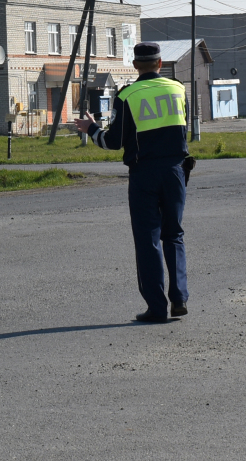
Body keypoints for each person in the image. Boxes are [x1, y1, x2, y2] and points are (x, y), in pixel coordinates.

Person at [74, 41, 192, 323]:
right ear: (161, 64)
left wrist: (91, 129)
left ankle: (156, 307)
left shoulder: (127, 95)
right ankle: (179, 299)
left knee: (148, 238)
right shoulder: (178, 89)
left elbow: (114, 142)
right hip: (176, 170)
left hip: (144, 174)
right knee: (173, 234)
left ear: (135, 65)